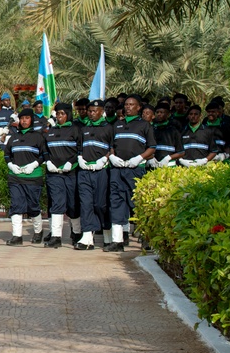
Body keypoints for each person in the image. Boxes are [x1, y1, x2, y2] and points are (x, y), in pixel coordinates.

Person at [105, 95, 156, 252]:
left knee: (138, 204)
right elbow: (110, 145)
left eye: (132, 105)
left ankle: (147, 239)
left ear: (139, 107)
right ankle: (117, 241)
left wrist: (139, 158)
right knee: (116, 202)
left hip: (135, 169)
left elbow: (152, 148)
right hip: (117, 170)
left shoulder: (144, 126)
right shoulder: (117, 125)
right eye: (126, 104)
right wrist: (112, 156)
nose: (128, 107)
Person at [3, 108, 47, 245]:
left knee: (33, 206)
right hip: (15, 177)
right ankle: (17, 236)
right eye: (22, 118)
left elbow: (44, 155)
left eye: (27, 118)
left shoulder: (38, 136)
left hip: (33, 177)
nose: (24, 121)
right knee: (16, 205)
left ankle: (38, 231)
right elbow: (6, 154)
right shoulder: (13, 137)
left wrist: (34, 164)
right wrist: (11, 165)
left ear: (31, 120)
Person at [75, 99, 113, 250]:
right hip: (85, 172)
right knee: (86, 204)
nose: (91, 113)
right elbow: (79, 147)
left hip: (101, 171)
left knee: (100, 204)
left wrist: (104, 159)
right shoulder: (84, 128)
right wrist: (80, 158)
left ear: (102, 111)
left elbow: (113, 148)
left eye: (95, 111)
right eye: (90, 111)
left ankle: (107, 234)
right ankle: (87, 237)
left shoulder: (109, 128)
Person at [43, 103, 82, 248]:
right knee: (57, 204)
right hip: (54, 174)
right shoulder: (51, 131)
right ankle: (56, 236)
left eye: (62, 114)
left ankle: (77, 233)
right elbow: (45, 149)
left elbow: (80, 150)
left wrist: (71, 163)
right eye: (57, 114)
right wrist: (48, 162)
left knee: (72, 204)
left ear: (68, 114)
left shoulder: (76, 130)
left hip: (71, 173)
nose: (59, 117)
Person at [149, 102, 183, 169]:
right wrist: (150, 158)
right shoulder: (151, 129)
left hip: (169, 166)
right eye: (157, 112)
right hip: (153, 165)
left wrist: (168, 158)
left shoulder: (173, 130)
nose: (159, 114)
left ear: (168, 114)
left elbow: (181, 152)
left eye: (162, 112)